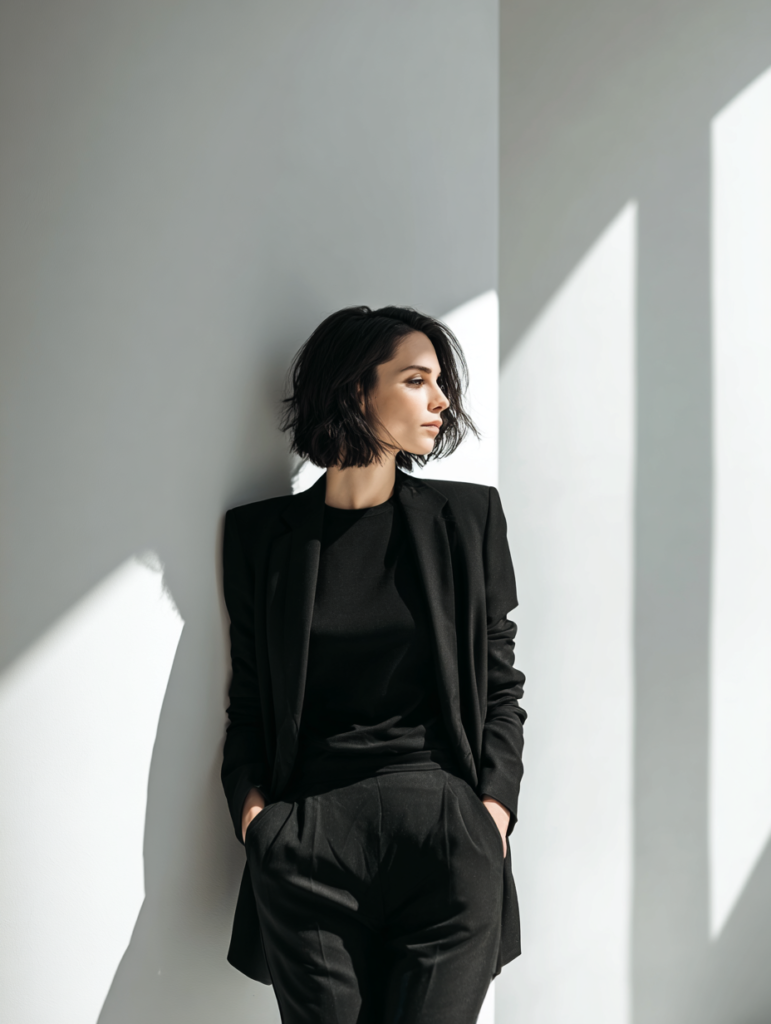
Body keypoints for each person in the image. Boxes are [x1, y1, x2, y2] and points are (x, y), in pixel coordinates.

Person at [220, 305, 527, 1024]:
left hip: (446, 834)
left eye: (440, 382)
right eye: (416, 380)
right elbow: (252, 698)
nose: (441, 400)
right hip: (310, 840)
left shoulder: (466, 519)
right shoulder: (263, 537)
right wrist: (255, 819)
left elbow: (499, 680)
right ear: (357, 392)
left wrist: (493, 812)